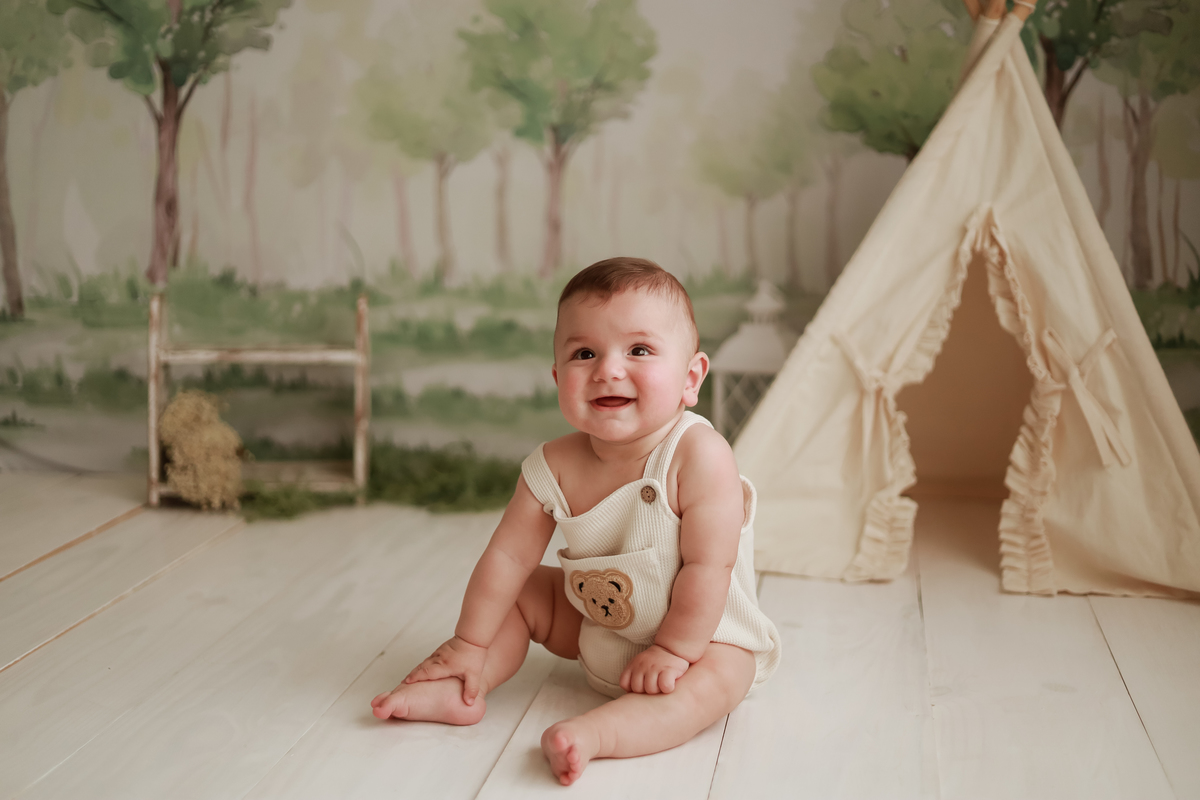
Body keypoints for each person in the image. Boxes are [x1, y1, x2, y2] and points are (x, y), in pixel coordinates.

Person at [371, 257, 781, 785]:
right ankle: (466, 681)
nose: (608, 369)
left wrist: (674, 650)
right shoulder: (552, 465)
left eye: (639, 350)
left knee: (723, 678)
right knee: (521, 592)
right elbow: (507, 556)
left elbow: (709, 566)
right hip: (599, 624)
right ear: (557, 377)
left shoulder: (698, 455)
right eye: (585, 353)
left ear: (690, 377)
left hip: (700, 641)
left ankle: (600, 733)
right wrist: (469, 641)